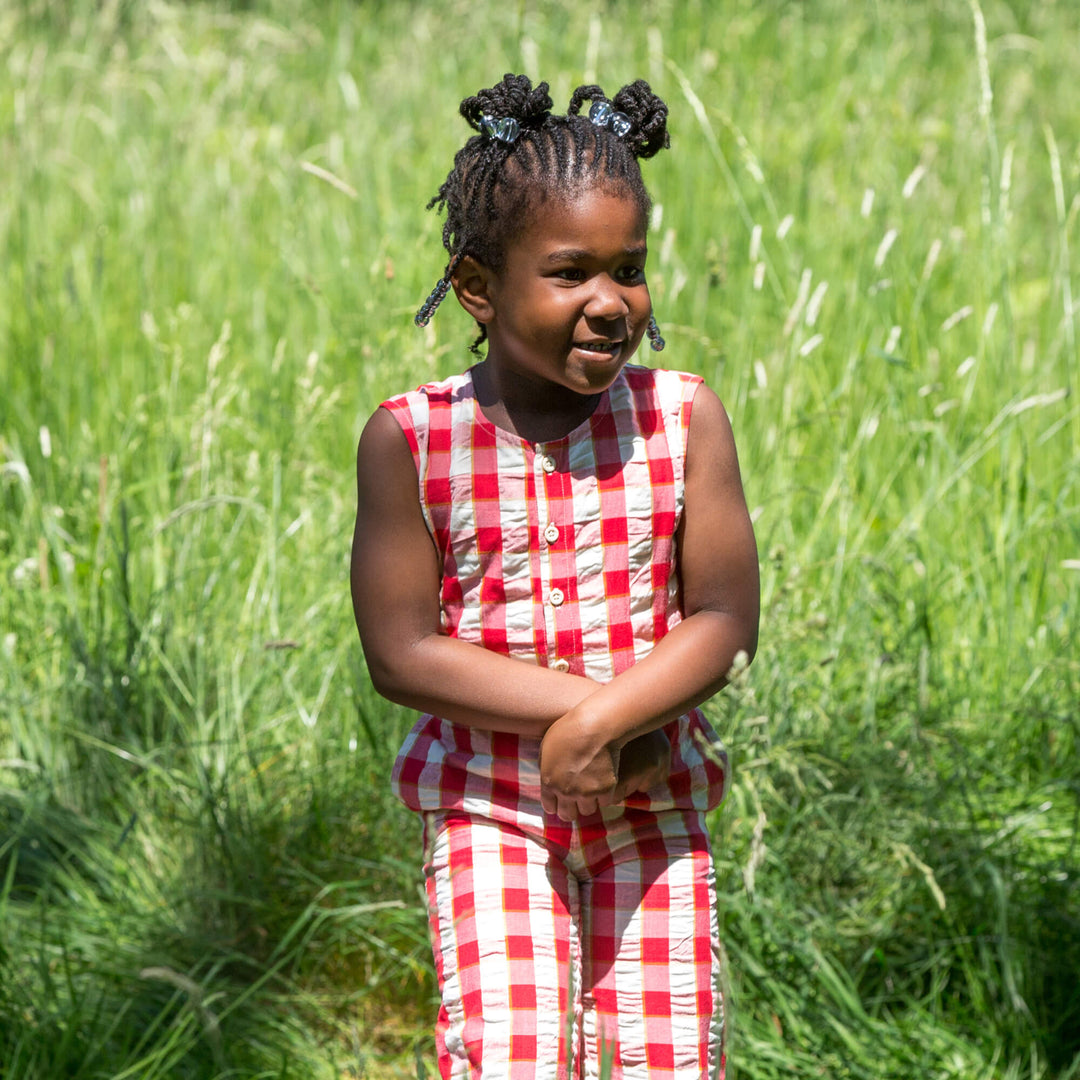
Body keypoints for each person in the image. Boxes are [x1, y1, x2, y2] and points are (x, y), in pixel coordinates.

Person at [351, 73, 759, 1080]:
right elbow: (400, 653)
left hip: (651, 810)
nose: (611, 303)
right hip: (492, 812)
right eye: (570, 272)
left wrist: (604, 732)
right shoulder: (415, 438)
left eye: (630, 269)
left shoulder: (683, 417)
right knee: (512, 1054)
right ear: (479, 287)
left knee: (666, 1058)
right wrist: (594, 716)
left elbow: (723, 616)